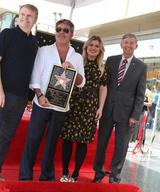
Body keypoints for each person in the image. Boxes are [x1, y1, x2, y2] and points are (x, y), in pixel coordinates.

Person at [19, 19, 85, 181]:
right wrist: (39, 96)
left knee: (52, 142)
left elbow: (81, 82)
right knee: (33, 138)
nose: (62, 32)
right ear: (55, 31)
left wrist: (73, 71)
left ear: (72, 34)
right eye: (59, 29)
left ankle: (47, 175)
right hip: (41, 102)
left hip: (61, 107)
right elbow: (35, 75)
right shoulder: (43, 51)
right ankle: (25, 174)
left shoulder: (77, 57)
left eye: (66, 30)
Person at [93, 33, 147, 183]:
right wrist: (100, 107)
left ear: (136, 46)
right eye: (126, 42)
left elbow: (140, 94)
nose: (128, 45)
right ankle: (98, 173)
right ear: (121, 44)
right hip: (108, 110)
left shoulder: (141, 67)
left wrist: (135, 116)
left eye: (132, 43)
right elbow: (104, 85)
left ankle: (115, 176)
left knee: (121, 147)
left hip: (127, 113)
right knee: (102, 143)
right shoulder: (111, 60)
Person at [60, 35, 107, 182]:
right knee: (67, 139)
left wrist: (100, 107)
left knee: (82, 141)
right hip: (73, 103)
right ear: (86, 48)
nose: (93, 48)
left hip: (90, 107)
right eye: (90, 45)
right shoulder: (77, 62)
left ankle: (75, 174)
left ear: (100, 50)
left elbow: (103, 88)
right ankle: (64, 172)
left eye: (96, 46)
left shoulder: (103, 67)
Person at [0, 4, 38, 181]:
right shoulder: (7, 34)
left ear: (34, 19)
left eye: (29, 15)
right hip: (3, 93)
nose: (25, 18)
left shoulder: (34, 42)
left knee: (6, 136)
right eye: (22, 14)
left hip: (21, 98)